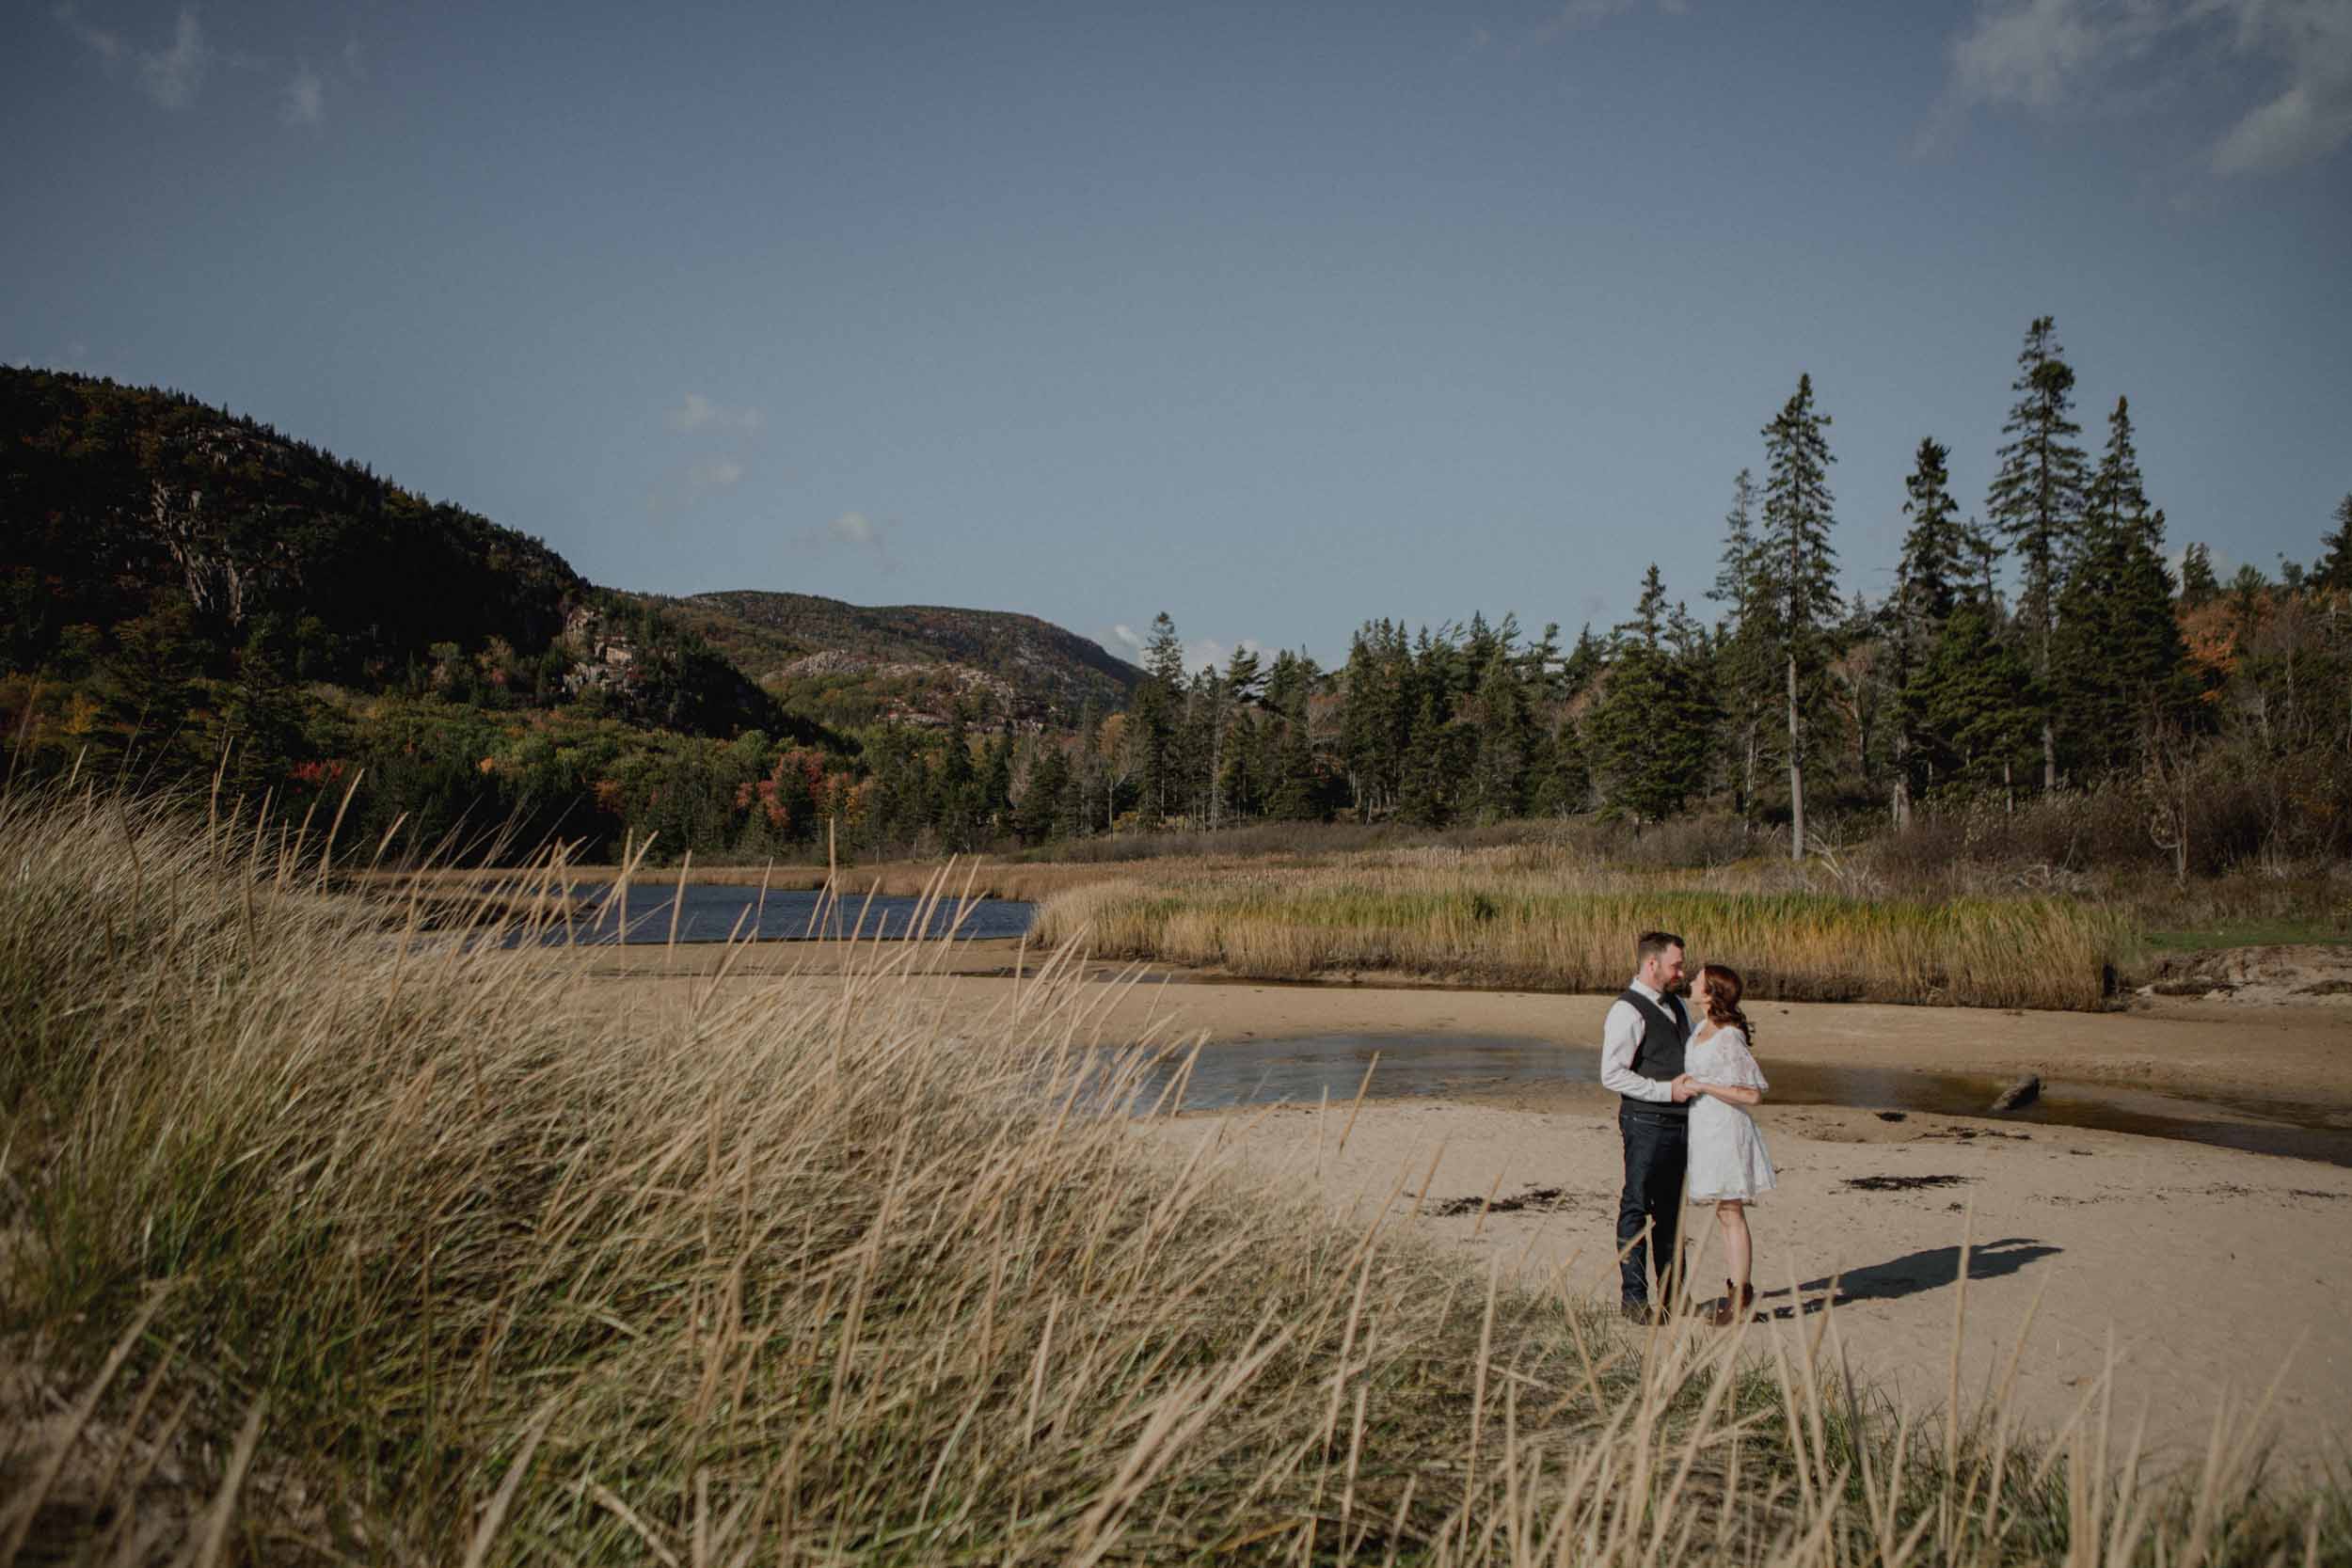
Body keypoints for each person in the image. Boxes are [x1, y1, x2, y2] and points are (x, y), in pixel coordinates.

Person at [1600, 929, 1696, 1323]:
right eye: (1676, 965)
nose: (1681, 972)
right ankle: (1635, 1301)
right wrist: (1665, 1092)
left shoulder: (1679, 1005)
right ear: (1651, 963)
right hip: (1644, 1121)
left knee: (1673, 1214)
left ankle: (1675, 1297)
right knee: (1636, 1208)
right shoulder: (1626, 1010)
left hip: (1680, 1124)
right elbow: (1611, 1074)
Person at [1673, 962, 1775, 1327]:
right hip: (1705, 1128)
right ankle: (1739, 1292)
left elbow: (1751, 1096)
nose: (1691, 982)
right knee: (1723, 1212)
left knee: (1731, 1213)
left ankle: (1741, 1296)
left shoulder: (1729, 1036)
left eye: (1697, 980)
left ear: (1712, 991)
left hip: (1726, 1129)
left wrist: (1703, 1086)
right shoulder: (1701, 1027)